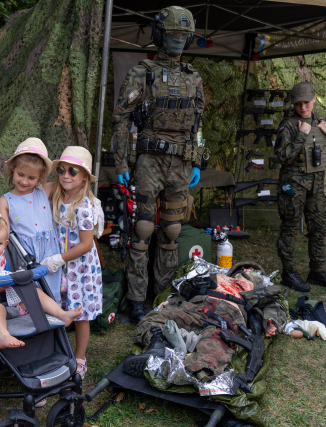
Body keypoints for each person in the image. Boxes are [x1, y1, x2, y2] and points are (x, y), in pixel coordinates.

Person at [112, 6, 205, 323]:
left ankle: (163, 297)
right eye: (173, 35)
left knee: (172, 231)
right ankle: (137, 299)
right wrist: (121, 160)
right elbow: (122, 119)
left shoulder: (194, 78)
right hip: (149, 162)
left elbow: (198, 126)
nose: (178, 41)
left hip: (180, 164)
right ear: (160, 35)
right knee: (142, 230)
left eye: (183, 36)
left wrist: (198, 161)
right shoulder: (142, 73)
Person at [0, 210, 81, 349]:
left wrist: (17, 277)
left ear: (5, 245)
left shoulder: (2, 259)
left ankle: (62, 314)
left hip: (11, 304)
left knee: (34, 292)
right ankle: (3, 335)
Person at [274, 81, 326, 292]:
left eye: (307, 102)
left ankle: (317, 271)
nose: (303, 107)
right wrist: (302, 135)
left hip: (316, 186)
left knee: (319, 228)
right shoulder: (288, 125)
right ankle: (289, 273)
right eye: (298, 104)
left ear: (314, 99)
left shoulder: (323, 122)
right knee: (290, 228)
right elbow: (282, 157)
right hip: (294, 186)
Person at [42, 146, 103, 379]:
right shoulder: (56, 192)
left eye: (73, 171)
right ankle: (55, 352)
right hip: (61, 265)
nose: (65, 175)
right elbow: (34, 191)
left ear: (85, 177)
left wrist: (59, 259)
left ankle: (80, 358)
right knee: (58, 308)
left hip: (80, 268)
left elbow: (86, 244)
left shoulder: (84, 206)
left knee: (80, 314)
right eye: (61, 170)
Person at [0, 137, 63, 306]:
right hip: (25, 256)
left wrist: (90, 195)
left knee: (51, 292)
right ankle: (34, 327)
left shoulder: (44, 190)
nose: (24, 181)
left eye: (31, 177)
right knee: (30, 298)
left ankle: (55, 326)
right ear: (13, 169)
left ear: (41, 177)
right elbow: (4, 236)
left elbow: (71, 187)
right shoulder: (5, 201)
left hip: (49, 252)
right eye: (20, 174)